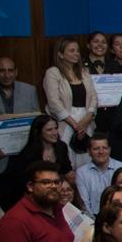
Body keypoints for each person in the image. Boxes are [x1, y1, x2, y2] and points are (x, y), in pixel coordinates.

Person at [43, 38, 98, 168]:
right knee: (67, 158)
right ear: (60, 54)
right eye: (72, 51)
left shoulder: (84, 72)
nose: (76, 54)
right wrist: (75, 125)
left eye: (77, 51)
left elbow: (94, 97)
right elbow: (54, 103)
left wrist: (86, 120)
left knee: (86, 158)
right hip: (65, 123)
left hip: (85, 121)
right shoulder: (53, 73)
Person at [2, 115, 71, 209]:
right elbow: (24, 183)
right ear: (38, 132)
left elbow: (66, 170)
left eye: (56, 128)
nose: (55, 133)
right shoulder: (28, 154)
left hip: (57, 190)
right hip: (38, 195)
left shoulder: (61, 147)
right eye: (49, 130)